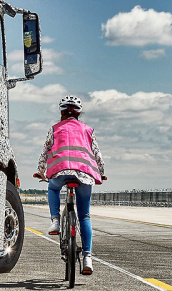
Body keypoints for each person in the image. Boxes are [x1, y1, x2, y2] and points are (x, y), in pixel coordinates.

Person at [34, 95, 106, 275]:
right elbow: (97, 154)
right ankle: (88, 257)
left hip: (60, 171)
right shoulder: (88, 130)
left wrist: (40, 170)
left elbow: (45, 152)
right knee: (84, 216)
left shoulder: (55, 129)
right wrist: (102, 172)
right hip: (84, 174)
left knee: (52, 187)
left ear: (61, 112)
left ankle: (56, 221)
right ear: (79, 113)